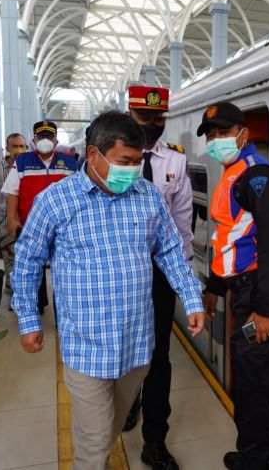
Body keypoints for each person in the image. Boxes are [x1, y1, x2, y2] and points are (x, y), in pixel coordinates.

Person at [11, 111, 205, 470]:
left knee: (109, 426)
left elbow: (170, 251)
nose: (132, 170)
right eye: (124, 161)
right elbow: (27, 261)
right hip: (87, 345)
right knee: (95, 440)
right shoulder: (57, 201)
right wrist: (28, 319)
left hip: (136, 343)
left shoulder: (148, 197)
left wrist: (191, 298)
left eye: (137, 161)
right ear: (93, 154)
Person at [198, 102, 269, 470]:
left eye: (223, 132)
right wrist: (214, 288)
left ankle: (256, 459)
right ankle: (263, 451)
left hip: (260, 292)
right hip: (244, 289)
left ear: (243, 134)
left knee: (252, 380)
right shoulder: (233, 174)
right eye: (211, 135)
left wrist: (267, 310)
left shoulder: (259, 177)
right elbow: (228, 238)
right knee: (254, 374)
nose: (216, 141)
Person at [122, 86, 193, 470]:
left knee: (159, 357)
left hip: (160, 274)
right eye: (144, 117)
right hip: (119, 273)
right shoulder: (112, 156)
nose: (152, 124)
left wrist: (182, 275)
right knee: (123, 348)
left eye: (158, 117)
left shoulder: (175, 161)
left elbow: (182, 221)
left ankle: (155, 440)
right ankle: (127, 400)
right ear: (129, 115)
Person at [2, 120, 76, 314]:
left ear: (56, 139)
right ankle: (38, 303)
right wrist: (12, 219)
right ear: (34, 140)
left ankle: (63, 308)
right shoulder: (22, 161)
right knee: (34, 265)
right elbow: (12, 192)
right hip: (31, 224)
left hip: (63, 225)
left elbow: (77, 193)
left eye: (49, 136)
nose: (45, 139)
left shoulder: (69, 162)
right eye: (41, 136)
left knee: (62, 267)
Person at [0, 132, 28, 295]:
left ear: (26, 148)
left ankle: (26, 287)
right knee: (10, 256)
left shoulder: (30, 167)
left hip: (27, 220)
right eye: (14, 146)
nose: (18, 149)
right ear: (7, 148)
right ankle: (13, 288)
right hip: (4, 220)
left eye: (21, 146)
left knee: (27, 256)